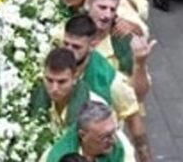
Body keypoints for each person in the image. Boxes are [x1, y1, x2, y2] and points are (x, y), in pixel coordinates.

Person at [59, 16, 148, 161]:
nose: (69, 51)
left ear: (93, 45)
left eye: (76, 47)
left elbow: (133, 116)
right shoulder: (55, 66)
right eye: (66, 44)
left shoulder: (111, 81)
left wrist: (145, 157)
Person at [85, 0, 154, 98]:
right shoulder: (71, 30)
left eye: (112, 10)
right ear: (88, 4)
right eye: (102, 7)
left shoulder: (125, 42)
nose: (107, 15)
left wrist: (140, 64)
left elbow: (140, 94)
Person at [30, 48, 110, 133]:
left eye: (61, 82)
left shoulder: (96, 106)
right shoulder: (34, 98)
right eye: (49, 80)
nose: (54, 88)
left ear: (75, 78)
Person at [41, 101, 137, 162]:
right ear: (83, 135)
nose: (114, 140)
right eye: (104, 137)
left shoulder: (118, 148)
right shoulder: (57, 158)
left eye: (113, 132)